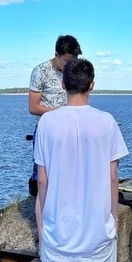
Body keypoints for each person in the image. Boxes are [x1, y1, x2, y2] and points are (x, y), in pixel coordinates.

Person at [34, 58, 128, 262]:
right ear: (92, 85)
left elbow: (42, 181)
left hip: (57, 228)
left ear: (63, 85)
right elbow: (113, 179)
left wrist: (42, 226)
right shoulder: (107, 121)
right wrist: (111, 219)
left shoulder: (47, 122)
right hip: (97, 229)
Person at [27, 35, 82, 196]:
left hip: (71, 127)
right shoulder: (40, 72)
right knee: (42, 172)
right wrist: (61, 114)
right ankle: (39, 208)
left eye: (74, 60)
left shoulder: (73, 70)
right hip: (48, 128)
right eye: (67, 60)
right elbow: (33, 107)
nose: (70, 64)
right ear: (57, 54)